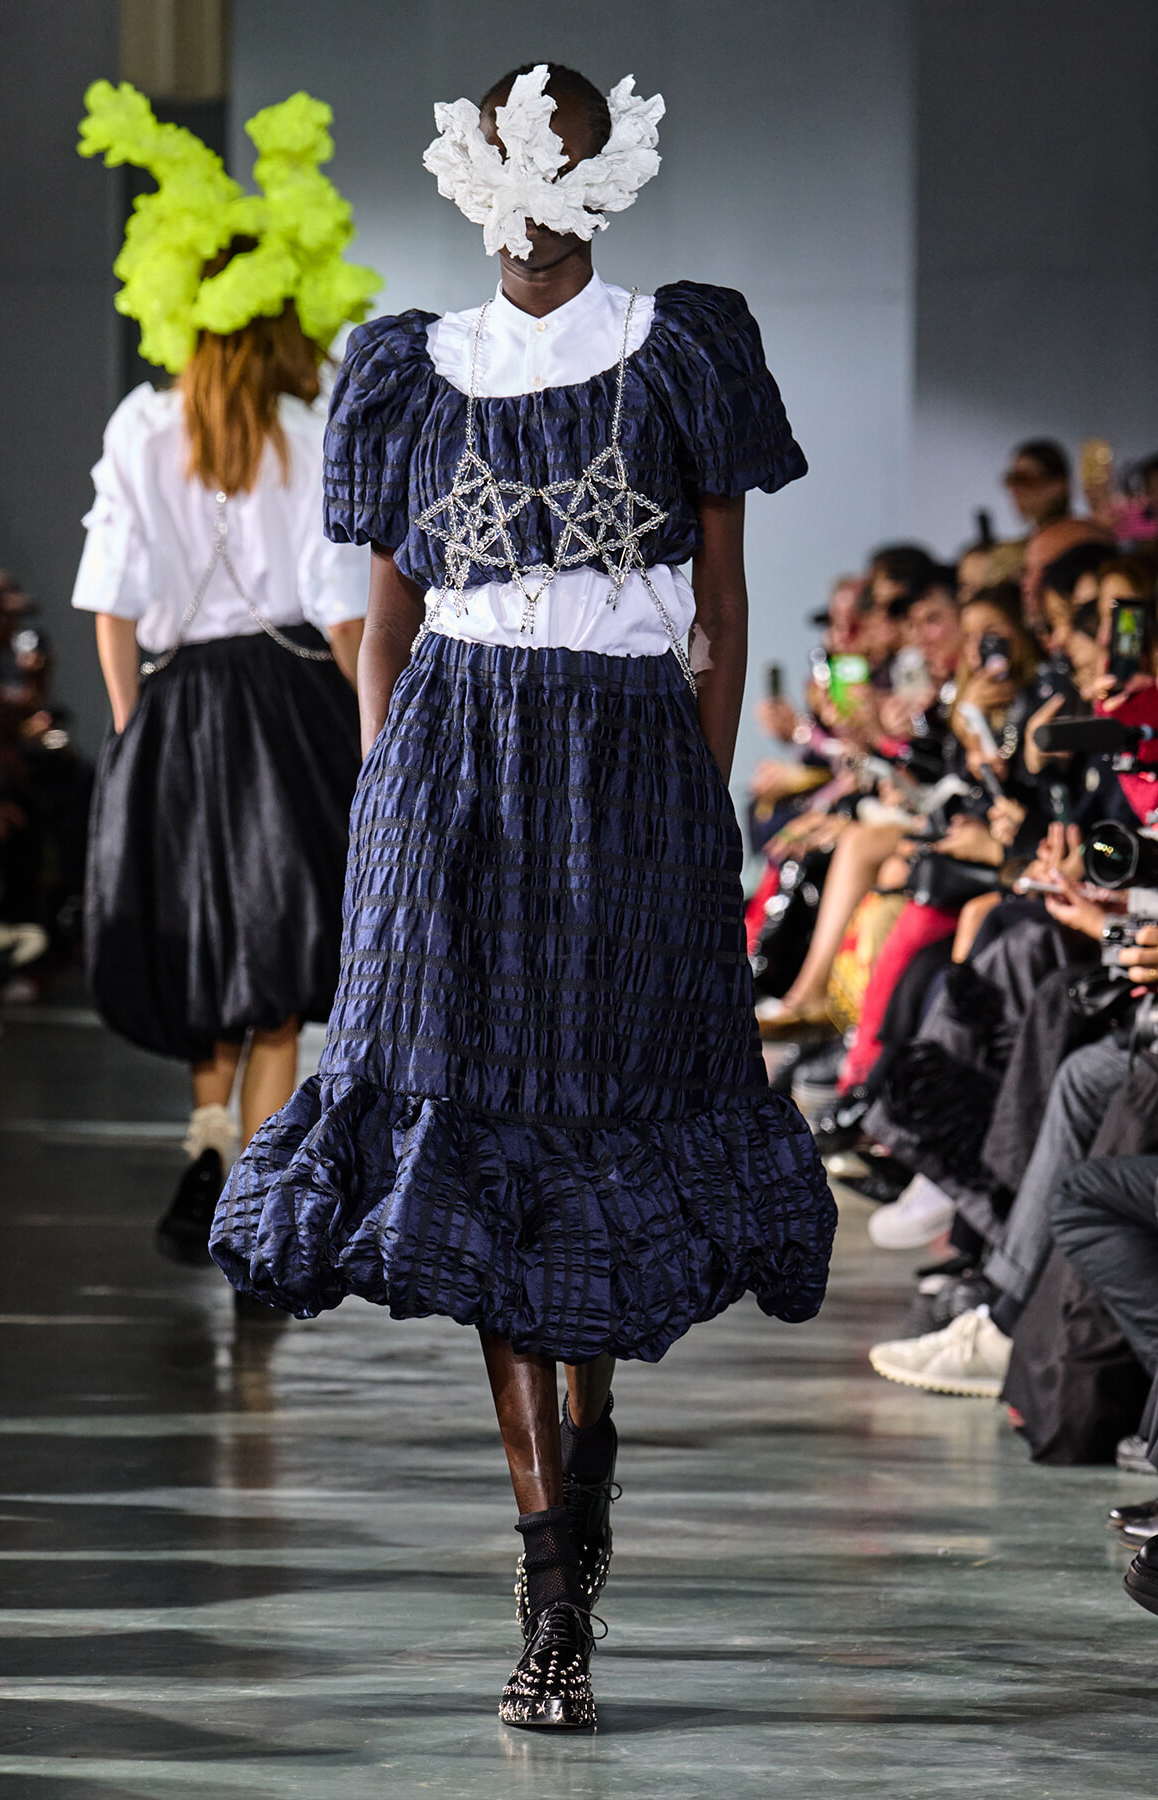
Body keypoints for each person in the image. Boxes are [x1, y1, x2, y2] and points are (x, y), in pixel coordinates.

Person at [211, 62, 836, 1731]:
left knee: (600, 1126)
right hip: (451, 780)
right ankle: (551, 1571)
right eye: (514, 156)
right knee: (471, 1140)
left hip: (631, 776)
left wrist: (700, 814)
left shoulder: (689, 343)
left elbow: (723, 598)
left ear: (612, 172)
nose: (539, 191)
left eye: (569, 159)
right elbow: (385, 619)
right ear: (473, 170)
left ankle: (587, 1441)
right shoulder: (406, 370)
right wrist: (385, 814)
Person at [74, 84, 379, 1258]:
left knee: (207, 944)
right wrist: (373, 738)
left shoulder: (139, 426)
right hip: (293, 696)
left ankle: (206, 1133)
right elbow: (340, 606)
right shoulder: (310, 432)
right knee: (286, 967)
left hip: (178, 706)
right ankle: (253, 1195)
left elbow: (108, 606)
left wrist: (131, 731)